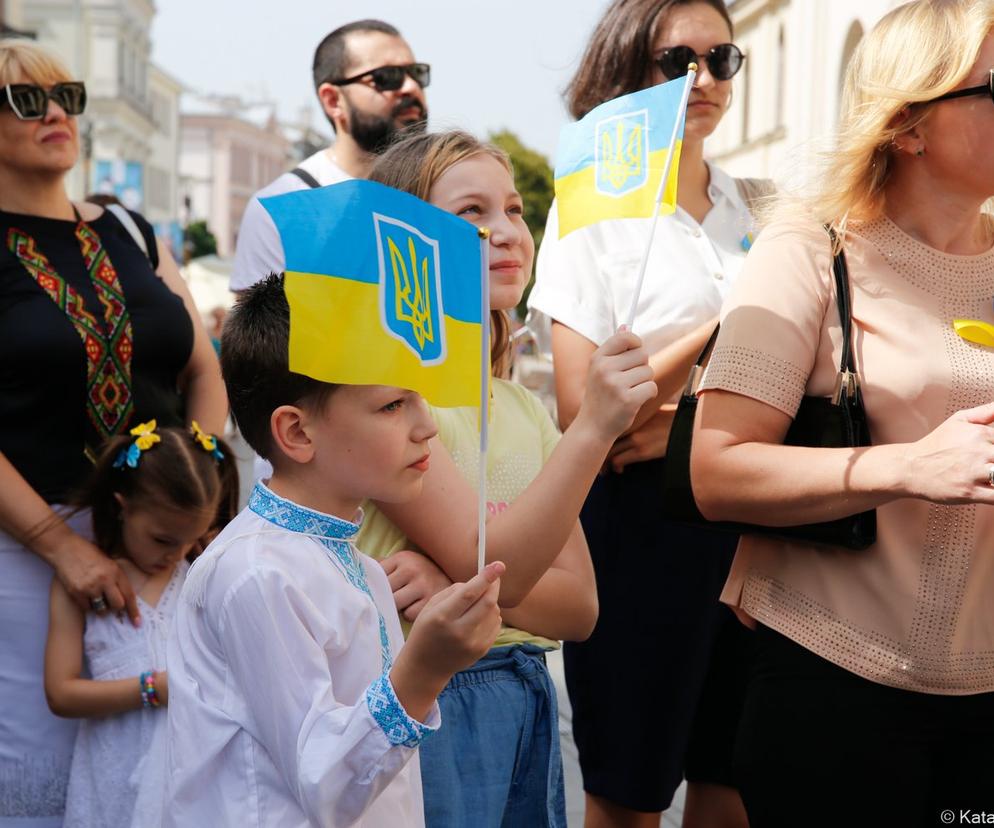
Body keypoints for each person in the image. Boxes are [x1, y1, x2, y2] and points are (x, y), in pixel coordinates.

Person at [691, 1, 994, 825]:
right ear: (909, 125)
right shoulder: (809, 250)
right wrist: (906, 466)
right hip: (833, 684)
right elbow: (716, 472)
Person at [359, 129, 657, 827]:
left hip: (523, 701)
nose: (507, 231)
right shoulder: (392, 393)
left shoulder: (522, 407)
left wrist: (462, 587)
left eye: (516, 210)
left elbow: (579, 607)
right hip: (431, 702)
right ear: (406, 238)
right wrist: (594, 430)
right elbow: (511, 574)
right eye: (472, 214)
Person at [526, 2, 762, 826]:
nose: (701, 79)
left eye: (721, 58)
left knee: (731, 785)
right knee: (628, 793)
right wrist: (730, 324)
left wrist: (678, 412)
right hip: (640, 529)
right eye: (675, 60)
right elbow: (584, 409)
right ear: (629, 69)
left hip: (757, 524)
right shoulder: (591, 210)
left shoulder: (756, 209)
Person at [163, 273, 507, 827]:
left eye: (418, 396)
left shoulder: (359, 568)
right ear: (297, 433)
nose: (426, 426)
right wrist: (423, 669)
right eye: (393, 404)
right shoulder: (256, 574)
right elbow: (324, 782)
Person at [0, 39, 226, 826]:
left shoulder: (131, 228)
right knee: (40, 780)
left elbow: (204, 368)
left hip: (167, 535)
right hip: (31, 543)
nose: (56, 112)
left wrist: (196, 487)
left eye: (66, 94)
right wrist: (63, 549)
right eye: (26, 100)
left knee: (172, 763)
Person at [44, 421, 238, 828]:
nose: (176, 554)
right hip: (114, 768)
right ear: (122, 506)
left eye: (191, 539)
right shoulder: (82, 588)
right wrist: (152, 689)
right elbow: (61, 693)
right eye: (163, 540)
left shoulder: (201, 576)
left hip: (191, 770)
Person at [231, 18, 428, 291]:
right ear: (333, 100)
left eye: (417, 73)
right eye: (387, 77)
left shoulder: (445, 193)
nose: (411, 88)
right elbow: (257, 333)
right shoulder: (282, 208)